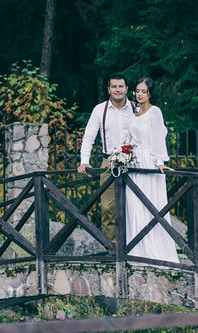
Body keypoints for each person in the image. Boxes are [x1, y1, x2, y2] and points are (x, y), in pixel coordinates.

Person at [125, 77, 179, 265]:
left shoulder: (155, 112)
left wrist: (159, 161)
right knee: (134, 204)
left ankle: (154, 250)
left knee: (149, 203)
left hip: (149, 159)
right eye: (137, 91)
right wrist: (122, 155)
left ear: (150, 93)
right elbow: (129, 141)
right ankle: (137, 249)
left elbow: (158, 136)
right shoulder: (133, 116)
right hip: (134, 163)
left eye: (143, 91)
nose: (139, 94)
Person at [77, 74, 136, 244]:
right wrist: (84, 160)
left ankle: (134, 246)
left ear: (126, 89)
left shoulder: (136, 108)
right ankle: (111, 247)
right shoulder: (99, 110)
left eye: (121, 86)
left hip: (134, 162)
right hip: (108, 162)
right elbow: (89, 137)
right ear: (108, 89)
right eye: (114, 86)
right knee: (109, 207)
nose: (118, 90)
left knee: (136, 205)